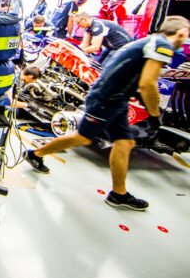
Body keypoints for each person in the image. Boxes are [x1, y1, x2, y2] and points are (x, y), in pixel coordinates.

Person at [24, 16, 190, 211]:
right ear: (180, 32)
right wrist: (154, 115)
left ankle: (118, 194)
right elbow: (148, 83)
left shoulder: (148, 41)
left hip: (116, 99)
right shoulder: (162, 45)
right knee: (83, 137)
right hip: (106, 99)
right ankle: (36, 153)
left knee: (124, 143)